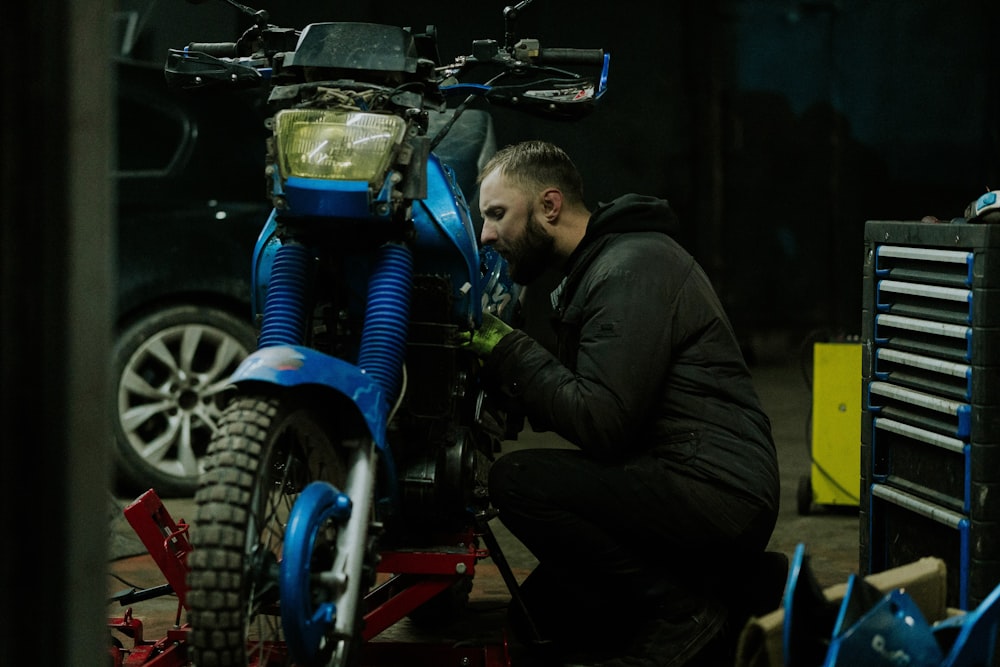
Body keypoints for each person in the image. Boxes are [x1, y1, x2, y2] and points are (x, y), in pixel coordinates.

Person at [466, 140, 781, 666]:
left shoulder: (630, 267)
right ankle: (738, 591)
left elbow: (602, 420)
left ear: (549, 206)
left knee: (519, 482)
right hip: (678, 475)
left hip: (717, 490)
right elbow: (597, 396)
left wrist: (509, 350)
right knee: (540, 618)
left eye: (497, 214)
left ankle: (683, 611)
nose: (486, 234)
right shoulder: (599, 267)